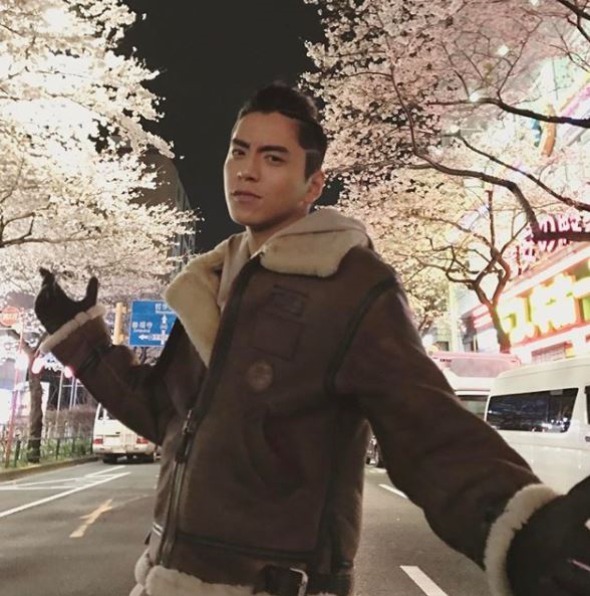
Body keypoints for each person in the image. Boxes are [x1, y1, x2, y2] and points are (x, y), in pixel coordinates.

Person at [34, 83, 590, 596]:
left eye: (273, 158)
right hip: (166, 577)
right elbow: (165, 414)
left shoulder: (350, 283)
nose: (247, 170)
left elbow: (424, 424)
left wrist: (517, 528)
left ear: (313, 184)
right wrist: (83, 342)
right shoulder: (210, 282)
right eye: (238, 151)